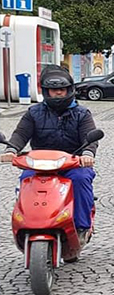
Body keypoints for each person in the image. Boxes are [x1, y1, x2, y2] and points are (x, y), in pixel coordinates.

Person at [1, 66, 98, 242]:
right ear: (47, 92)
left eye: (62, 89)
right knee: (26, 181)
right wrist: (11, 149)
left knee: (81, 179)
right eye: (54, 90)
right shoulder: (33, 112)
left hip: (72, 163)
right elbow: (21, 134)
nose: (58, 93)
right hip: (39, 165)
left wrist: (87, 153)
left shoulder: (82, 114)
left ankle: (82, 227)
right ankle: (28, 222)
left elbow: (90, 137)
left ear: (69, 90)